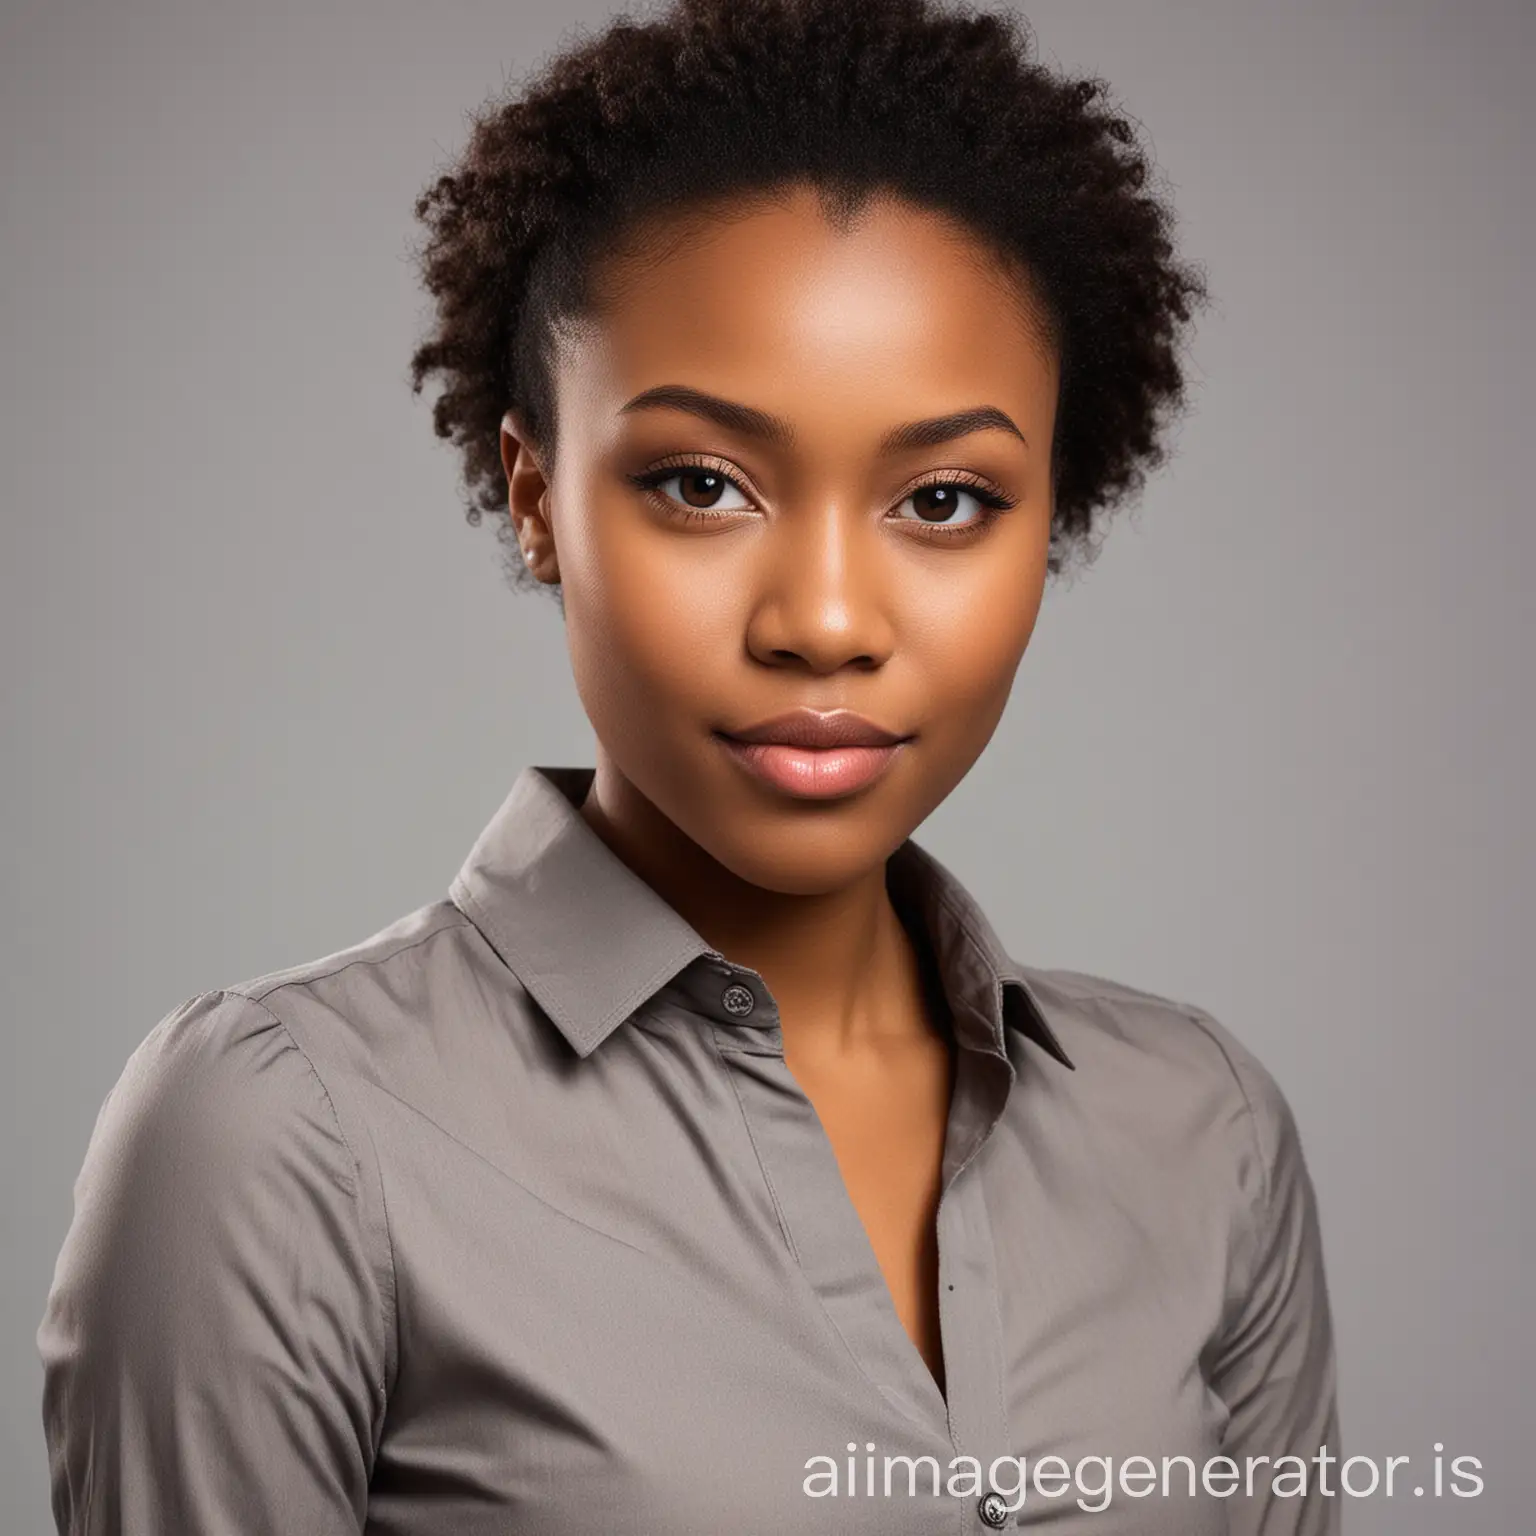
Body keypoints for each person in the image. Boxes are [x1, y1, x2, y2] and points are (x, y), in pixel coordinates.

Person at [37, 0, 1340, 1531]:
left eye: (944, 499)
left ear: (1054, 512)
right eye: (702, 484)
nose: (826, 623)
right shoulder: (285, 1143)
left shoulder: (1203, 1137)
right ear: (535, 496)